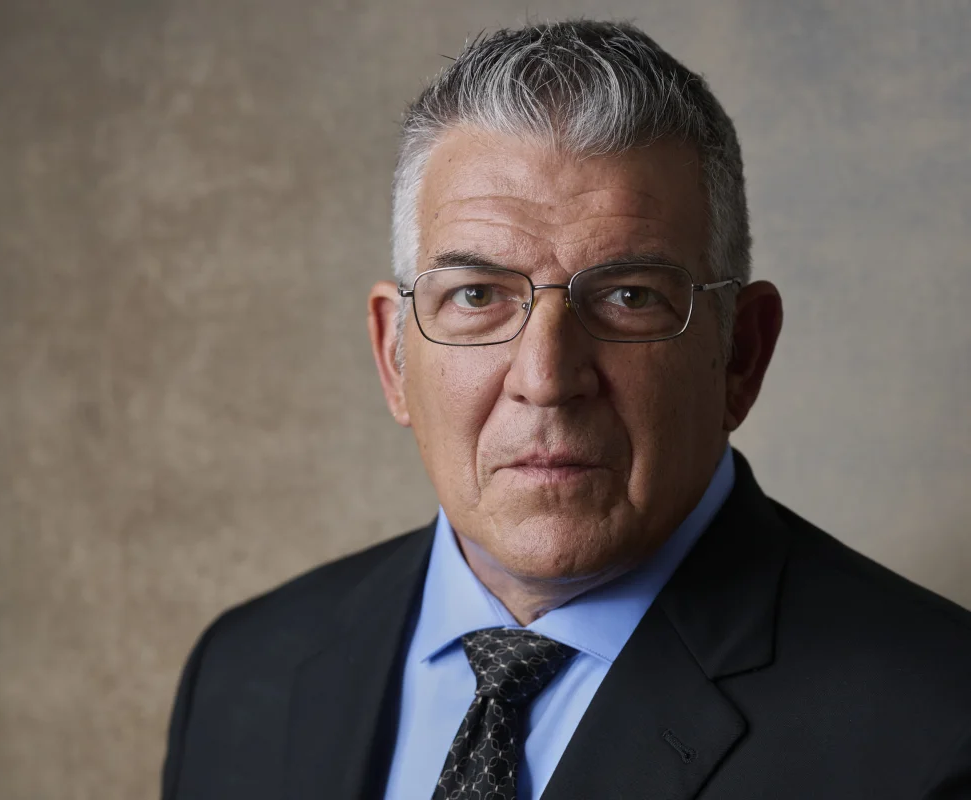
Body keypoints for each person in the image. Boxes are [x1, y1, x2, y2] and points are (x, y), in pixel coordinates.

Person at [161, 20, 971, 800]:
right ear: (394, 355)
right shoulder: (245, 674)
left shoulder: (938, 727)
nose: (546, 378)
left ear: (740, 354)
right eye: (476, 295)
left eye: (628, 297)